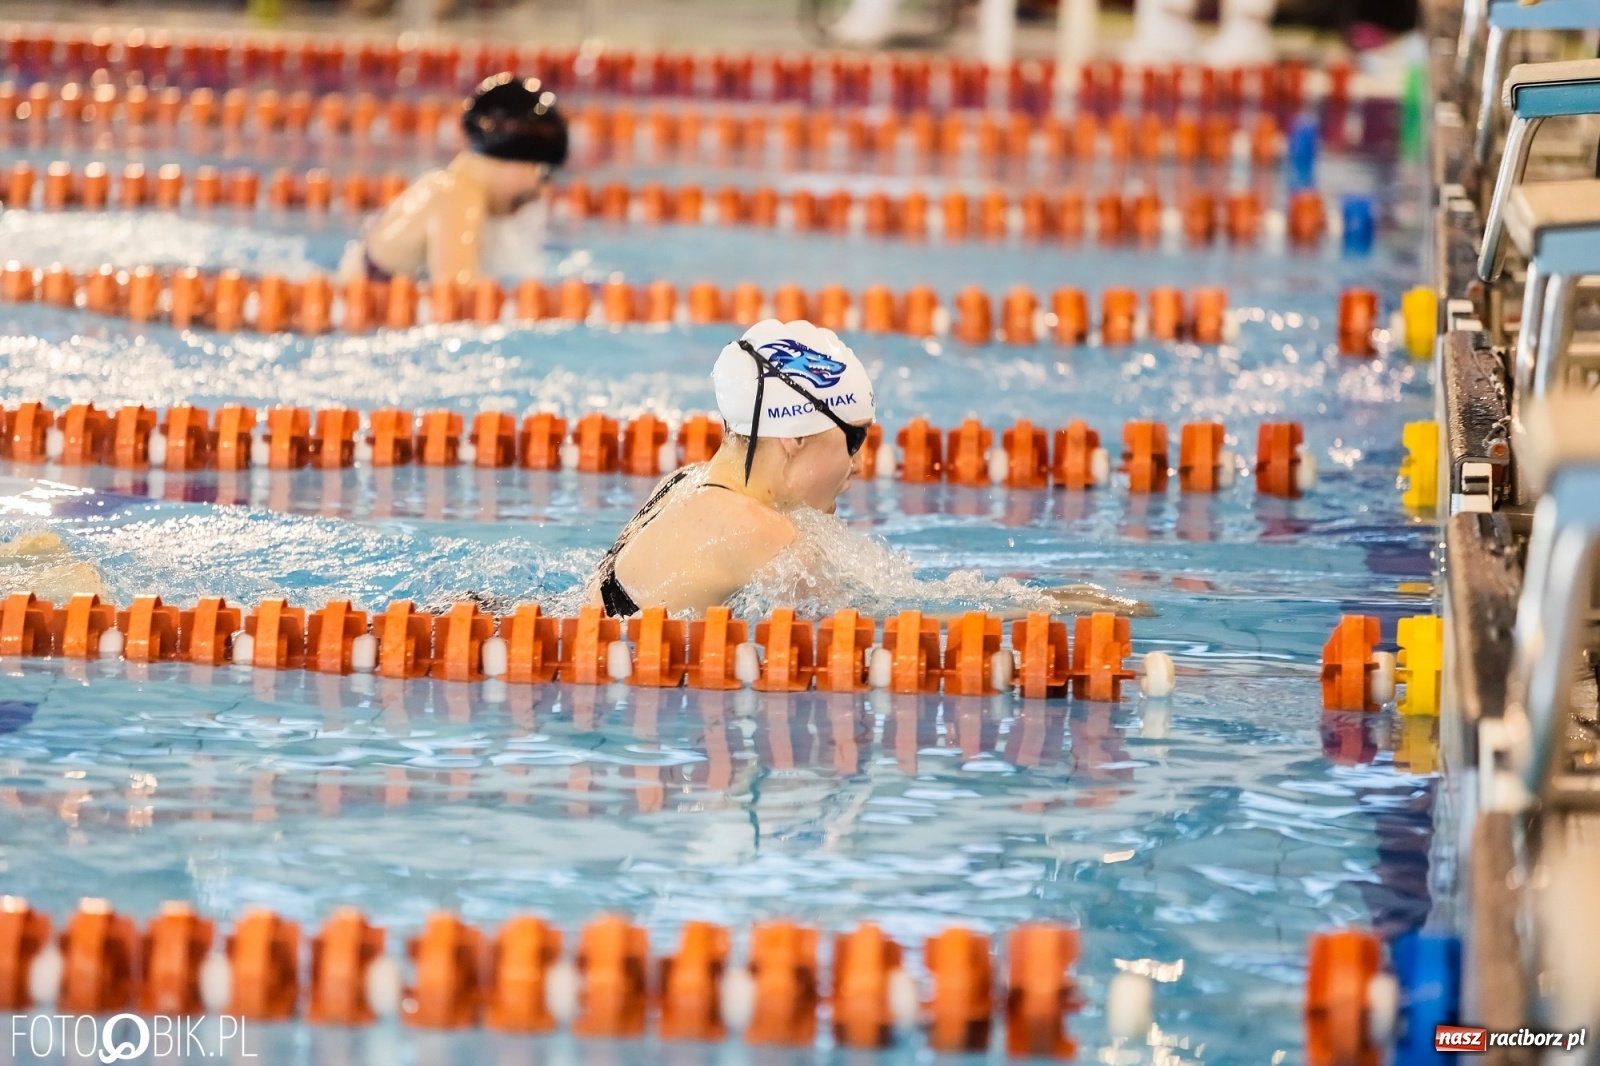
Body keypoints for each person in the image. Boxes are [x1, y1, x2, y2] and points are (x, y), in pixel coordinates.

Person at [590, 319, 1150, 620]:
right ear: (796, 437)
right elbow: (878, 625)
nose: (859, 463)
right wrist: (1044, 608)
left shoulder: (684, 484)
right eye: (853, 438)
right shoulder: (764, 534)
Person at [338, 72, 567, 288]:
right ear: (514, 160)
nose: (542, 191)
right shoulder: (458, 197)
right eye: (544, 174)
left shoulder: (444, 186)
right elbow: (460, 302)